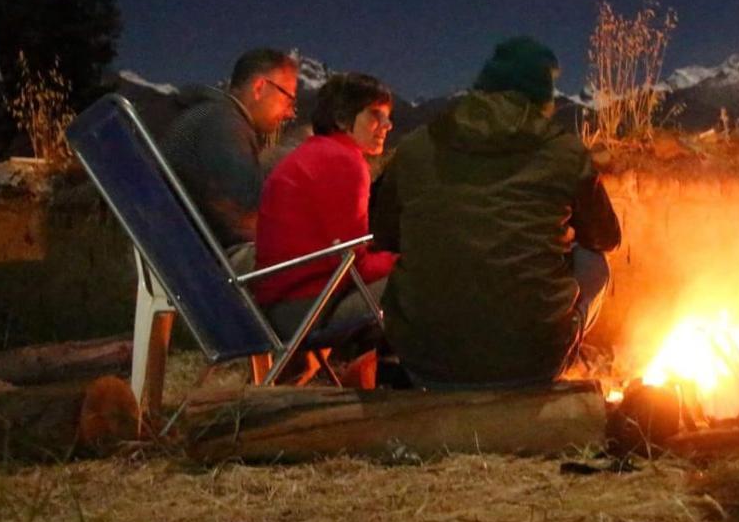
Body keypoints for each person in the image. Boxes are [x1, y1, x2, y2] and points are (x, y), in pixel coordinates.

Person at [370, 36, 621, 387]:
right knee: (595, 262)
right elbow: (606, 238)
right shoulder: (564, 152)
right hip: (532, 363)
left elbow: (384, 234)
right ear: (542, 97)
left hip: (425, 360)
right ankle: (556, 354)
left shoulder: (416, 147)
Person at [253, 72, 399, 341]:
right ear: (343, 118)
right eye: (375, 115)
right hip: (305, 312)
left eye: (388, 116)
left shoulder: (314, 153)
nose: (387, 125)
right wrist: (405, 260)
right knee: (427, 279)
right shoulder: (344, 162)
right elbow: (355, 264)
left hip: (278, 303)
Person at [160, 49, 298, 249]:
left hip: (186, 247)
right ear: (259, 88)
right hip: (204, 259)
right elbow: (243, 218)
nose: (290, 113)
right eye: (288, 100)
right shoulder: (223, 124)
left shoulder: (211, 115)